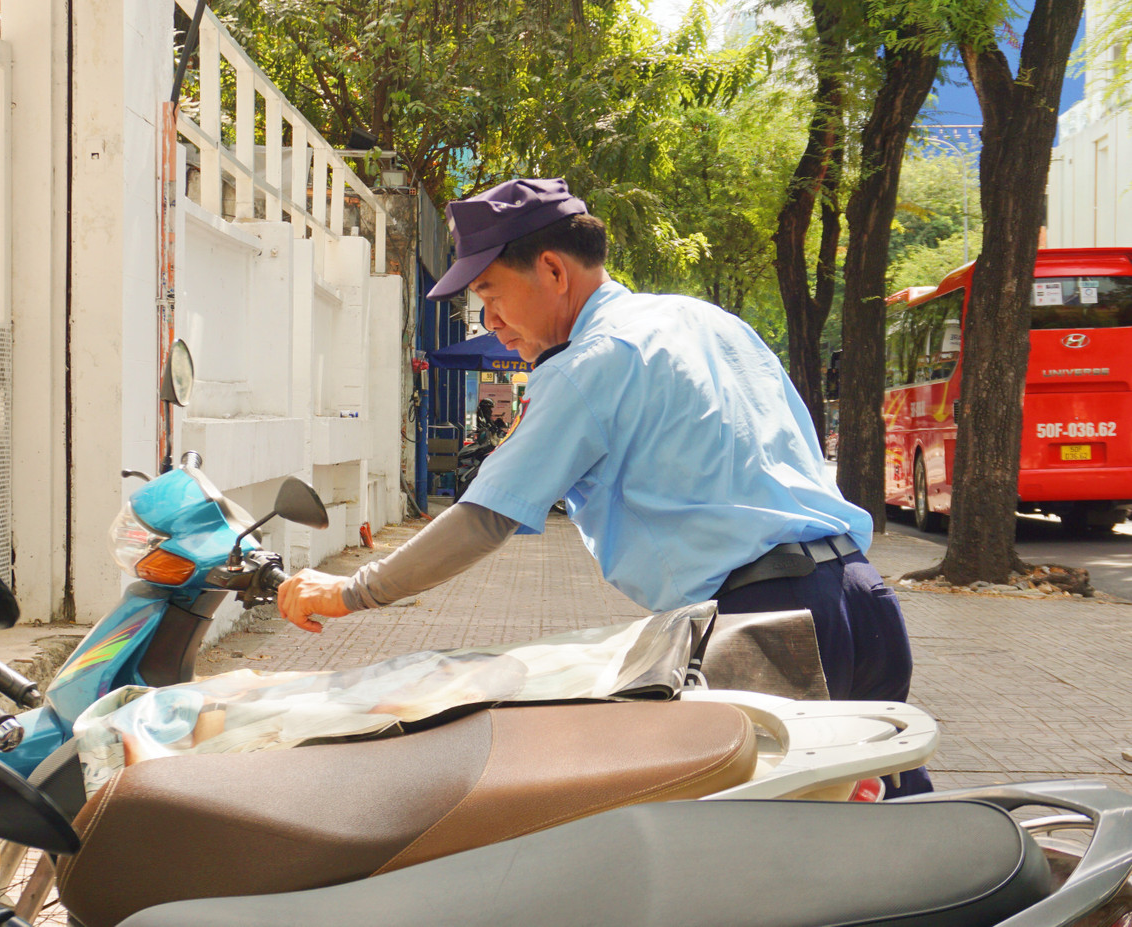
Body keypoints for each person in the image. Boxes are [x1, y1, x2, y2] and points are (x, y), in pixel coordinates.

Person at [277, 177, 929, 794]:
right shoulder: (709, 322)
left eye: (493, 293)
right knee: (900, 846)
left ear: (555, 271)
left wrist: (348, 591)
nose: (492, 320)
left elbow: (484, 517)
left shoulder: (590, 362)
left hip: (769, 627)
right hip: (862, 599)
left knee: (755, 866)